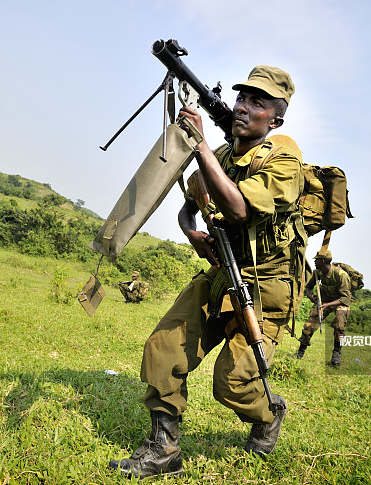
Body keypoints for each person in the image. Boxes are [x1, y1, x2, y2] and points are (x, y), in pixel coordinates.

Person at [109, 66, 306, 479]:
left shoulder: (285, 159)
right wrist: (191, 233)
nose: (243, 107)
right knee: (164, 346)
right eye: (241, 98)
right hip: (222, 272)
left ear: (275, 120)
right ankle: (164, 451)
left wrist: (199, 145)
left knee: (232, 383)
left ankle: (270, 413)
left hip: (267, 284)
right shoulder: (222, 156)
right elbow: (189, 206)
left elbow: (238, 208)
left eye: (257, 102)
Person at [295, 251, 353, 366]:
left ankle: (337, 353)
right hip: (323, 302)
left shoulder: (341, 275)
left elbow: (346, 298)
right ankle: (300, 352)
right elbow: (308, 287)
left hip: (340, 302)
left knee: (340, 324)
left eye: (316, 260)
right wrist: (311, 296)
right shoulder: (317, 273)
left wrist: (328, 305)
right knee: (309, 325)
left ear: (322, 261)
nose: (314, 262)